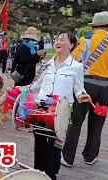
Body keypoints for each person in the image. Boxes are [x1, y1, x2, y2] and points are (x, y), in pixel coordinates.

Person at [62, 11, 108, 167]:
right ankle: (90, 156)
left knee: (76, 122)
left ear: (94, 27)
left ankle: (68, 158)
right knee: (97, 124)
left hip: (85, 87)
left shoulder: (86, 40)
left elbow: (72, 61)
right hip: (105, 88)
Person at [30, 32, 91, 180]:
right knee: (39, 140)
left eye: (62, 39)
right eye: (57, 39)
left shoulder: (76, 67)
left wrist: (82, 95)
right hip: (42, 107)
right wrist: (23, 89)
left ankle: (51, 174)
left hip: (61, 111)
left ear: (71, 45)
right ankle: (38, 171)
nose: (58, 41)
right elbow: (37, 85)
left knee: (55, 144)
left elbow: (78, 88)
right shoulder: (46, 64)